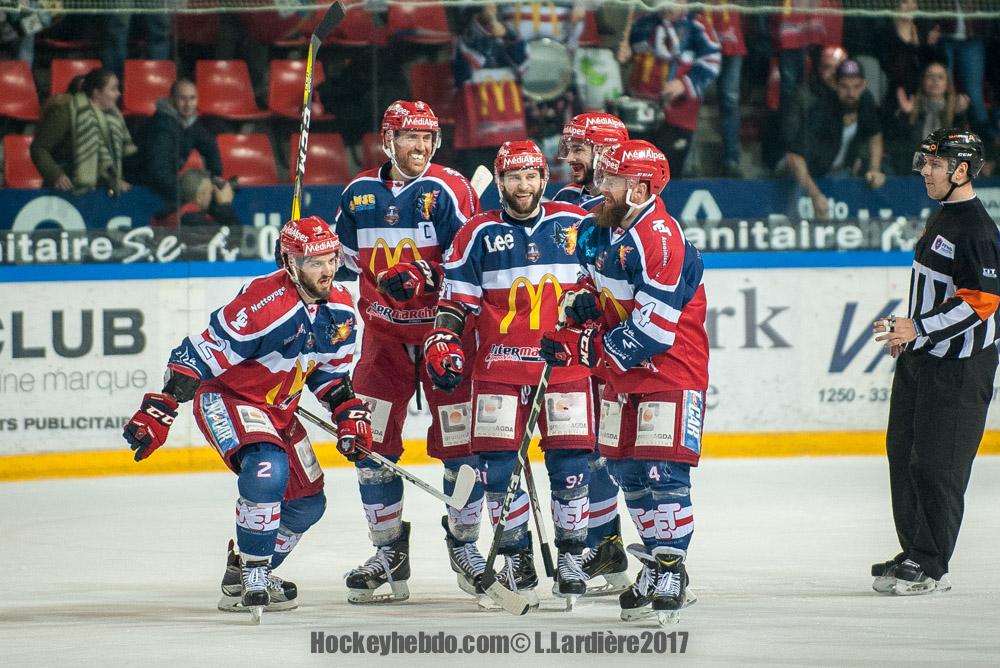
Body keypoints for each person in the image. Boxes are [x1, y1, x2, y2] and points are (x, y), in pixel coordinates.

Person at [121, 216, 371, 619]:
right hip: (230, 398)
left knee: (308, 504)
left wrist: (347, 412)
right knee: (267, 469)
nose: (327, 271)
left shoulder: (341, 312)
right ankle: (256, 572)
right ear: (290, 264)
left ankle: (243, 572)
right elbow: (198, 354)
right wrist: (162, 406)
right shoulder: (263, 304)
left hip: (279, 411)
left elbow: (328, 375)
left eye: (331, 259)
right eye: (315, 262)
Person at [539, 139, 709, 624]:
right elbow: (592, 285)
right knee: (626, 471)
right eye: (604, 176)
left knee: (663, 472)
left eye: (613, 179)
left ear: (642, 187)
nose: (602, 186)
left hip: (670, 370)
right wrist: (579, 307)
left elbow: (653, 331)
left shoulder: (661, 238)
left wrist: (585, 349)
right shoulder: (599, 228)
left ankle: (672, 570)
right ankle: (655, 562)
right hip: (621, 375)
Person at [425, 139, 596, 607]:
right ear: (499, 182)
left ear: (544, 178)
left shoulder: (575, 225)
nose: (524, 185)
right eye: (514, 177)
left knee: (571, 466)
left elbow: (602, 284)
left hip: (563, 367)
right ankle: (517, 559)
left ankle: (572, 557)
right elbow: (456, 301)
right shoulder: (477, 233)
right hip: (498, 368)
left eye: (532, 175)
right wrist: (443, 339)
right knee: (497, 470)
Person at [334, 100, 483, 604]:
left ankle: (465, 545)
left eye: (427, 138)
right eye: (409, 137)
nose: (420, 146)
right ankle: (388, 552)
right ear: (388, 140)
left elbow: (471, 264)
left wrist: (426, 274)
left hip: (447, 336)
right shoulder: (358, 194)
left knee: (463, 446)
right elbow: (341, 262)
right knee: (369, 447)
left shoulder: (450, 189)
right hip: (384, 342)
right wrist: (299, 258)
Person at [871, 129, 998, 596]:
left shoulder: (977, 230)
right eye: (925, 162)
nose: (925, 171)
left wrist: (918, 328)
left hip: (959, 369)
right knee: (904, 456)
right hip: (922, 359)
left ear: (961, 171)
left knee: (938, 468)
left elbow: (981, 301)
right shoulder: (943, 215)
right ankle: (915, 549)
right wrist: (911, 334)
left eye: (935, 164)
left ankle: (931, 562)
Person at [551, 111, 633, 596]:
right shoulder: (562, 200)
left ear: (605, 152)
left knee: (615, 451)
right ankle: (604, 545)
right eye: (571, 148)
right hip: (574, 345)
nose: (571, 158)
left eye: (580, 149)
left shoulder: (630, 205)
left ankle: (632, 549)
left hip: (613, 346)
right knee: (586, 450)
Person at [626, 2, 721, 178]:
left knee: (666, 174)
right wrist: (625, 54)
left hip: (678, 114)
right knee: (635, 174)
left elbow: (712, 61)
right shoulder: (642, 22)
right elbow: (629, 51)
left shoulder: (697, 26)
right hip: (639, 113)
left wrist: (685, 84)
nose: (666, 4)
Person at [785, 58, 885, 220]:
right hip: (809, 176)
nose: (851, 93)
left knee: (847, 223)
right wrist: (815, 194)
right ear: (835, 85)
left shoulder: (865, 101)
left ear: (864, 85)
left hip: (841, 173)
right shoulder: (821, 111)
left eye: (856, 87)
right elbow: (794, 156)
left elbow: (875, 135)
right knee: (797, 224)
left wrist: (874, 169)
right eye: (844, 87)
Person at [30, 68, 137, 195]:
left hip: (97, 190)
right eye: (113, 89)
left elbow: (106, 162)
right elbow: (39, 148)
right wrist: (55, 175)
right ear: (97, 93)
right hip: (66, 189)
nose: (118, 94)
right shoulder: (66, 112)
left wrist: (113, 180)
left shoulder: (115, 119)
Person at [131, 78, 223, 209]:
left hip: (161, 186)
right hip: (139, 188)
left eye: (192, 98)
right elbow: (159, 174)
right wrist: (188, 197)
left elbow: (210, 147)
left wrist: (215, 177)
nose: (188, 105)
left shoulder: (190, 122)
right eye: (182, 99)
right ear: (171, 99)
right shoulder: (162, 128)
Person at [883, 61, 969, 175]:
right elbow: (898, 151)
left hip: (947, 178)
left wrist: (959, 116)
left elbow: (963, 152)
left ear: (947, 84)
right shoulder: (912, 111)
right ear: (922, 82)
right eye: (930, 76)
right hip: (913, 177)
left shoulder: (956, 114)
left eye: (940, 77)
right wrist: (904, 116)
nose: (935, 80)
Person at [154, 168, 239, 231]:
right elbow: (234, 239)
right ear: (199, 197)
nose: (212, 196)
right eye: (210, 192)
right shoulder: (192, 220)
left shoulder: (174, 212)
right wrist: (225, 205)